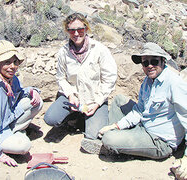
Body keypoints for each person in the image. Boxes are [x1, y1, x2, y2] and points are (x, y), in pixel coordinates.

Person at [81, 42, 187, 180]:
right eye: (145, 63)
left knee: (109, 138)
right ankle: (121, 139)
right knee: (119, 100)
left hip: (160, 140)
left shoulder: (174, 83)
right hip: (144, 125)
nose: (149, 66)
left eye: (154, 61)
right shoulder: (148, 82)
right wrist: (116, 126)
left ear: (163, 61)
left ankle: (110, 145)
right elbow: (139, 111)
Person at [44, 13, 117, 143]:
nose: (76, 33)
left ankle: (89, 119)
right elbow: (61, 78)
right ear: (67, 31)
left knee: (93, 135)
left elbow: (110, 78)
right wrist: (70, 95)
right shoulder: (63, 52)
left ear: (86, 28)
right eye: (72, 30)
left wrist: (97, 102)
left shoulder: (99, 50)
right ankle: (73, 118)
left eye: (80, 29)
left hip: (94, 99)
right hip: (73, 98)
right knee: (51, 119)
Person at [0, 40, 43, 167]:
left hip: (5, 121)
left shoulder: (10, 79)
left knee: (37, 102)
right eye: (7, 62)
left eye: (15, 62)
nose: (12, 66)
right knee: (24, 146)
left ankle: (14, 133)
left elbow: (18, 93)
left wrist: (31, 90)